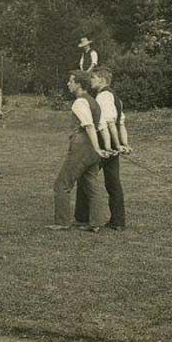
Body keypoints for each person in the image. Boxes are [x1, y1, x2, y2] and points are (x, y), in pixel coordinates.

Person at [47, 70, 109, 233]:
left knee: (61, 184)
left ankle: (62, 222)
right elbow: (101, 127)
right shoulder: (94, 102)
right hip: (93, 149)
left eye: (71, 81)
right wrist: (104, 148)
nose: (68, 84)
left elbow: (89, 126)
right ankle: (96, 222)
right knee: (91, 184)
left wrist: (96, 148)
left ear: (79, 85)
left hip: (82, 146)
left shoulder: (79, 102)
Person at [76, 67, 130, 231]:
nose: (90, 80)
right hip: (112, 145)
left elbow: (108, 123)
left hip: (103, 144)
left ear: (102, 79)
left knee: (86, 178)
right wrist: (121, 144)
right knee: (113, 182)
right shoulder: (115, 97)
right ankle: (118, 221)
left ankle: (84, 219)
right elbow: (121, 124)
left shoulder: (103, 96)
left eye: (93, 77)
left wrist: (105, 147)